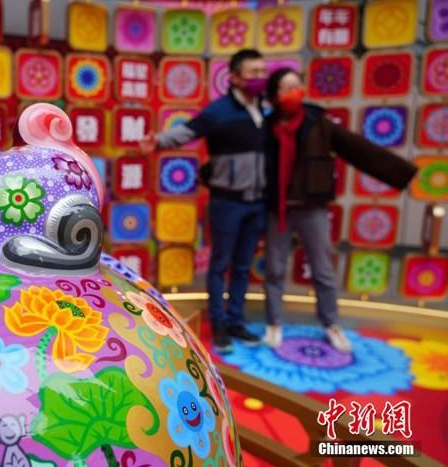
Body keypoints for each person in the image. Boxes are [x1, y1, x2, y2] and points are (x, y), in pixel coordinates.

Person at [262, 68, 417, 352]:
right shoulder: (266, 127)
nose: (294, 92)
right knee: (274, 268)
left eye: (297, 86)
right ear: (274, 95)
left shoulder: (318, 123)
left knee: (323, 270)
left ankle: (331, 323)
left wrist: (402, 172)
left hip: (312, 208)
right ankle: (273, 323)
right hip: (278, 209)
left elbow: (358, 149)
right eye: (286, 88)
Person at [140, 49, 268, 353]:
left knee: (242, 266)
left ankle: (236, 321)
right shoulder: (219, 111)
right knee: (220, 264)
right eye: (253, 72)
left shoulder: (265, 111)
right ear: (234, 77)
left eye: (262, 72)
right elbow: (188, 131)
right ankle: (219, 325)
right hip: (227, 202)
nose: (259, 78)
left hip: (257, 202)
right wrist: (158, 141)